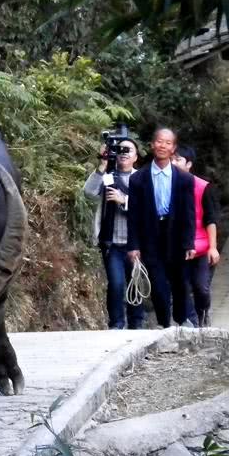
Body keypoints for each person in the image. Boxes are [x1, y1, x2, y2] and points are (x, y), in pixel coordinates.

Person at [126, 126, 196, 327]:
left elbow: (189, 213)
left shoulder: (184, 179)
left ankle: (182, 320)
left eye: (167, 142)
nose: (162, 146)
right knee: (157, 283)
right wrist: (133, 246)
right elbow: (133, 215)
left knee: (180, 282)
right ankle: (164, 323)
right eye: (159, 141)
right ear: (151, 145)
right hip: (150, 235)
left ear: (173, 148)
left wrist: (189, 242)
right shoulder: (138, 178)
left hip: (176, 235)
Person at [83, 138, 145, 329]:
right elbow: (89, 193)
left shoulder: (142, 178)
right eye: (120, 150)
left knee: (135, 284)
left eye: (129, 150)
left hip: (136, 244)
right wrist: (102, 165)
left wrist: (124, 200)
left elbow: (149, 209)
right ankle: (116, 324)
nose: (124, 153)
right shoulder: (108, 176)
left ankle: (136, 325)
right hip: (112, 244)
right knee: (116, 285)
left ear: (136, 156)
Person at [173, 145, 220, 326]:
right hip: (177, 247)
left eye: (178, 159)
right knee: (181, 287)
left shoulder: (202, 187)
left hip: (201, 247)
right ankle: (190, 322)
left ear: (189, 164)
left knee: (201, 288)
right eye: (171, 159)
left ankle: (203, 313)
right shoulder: (165, 186)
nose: (173, 163)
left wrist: (213, 247)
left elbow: (211, 219)